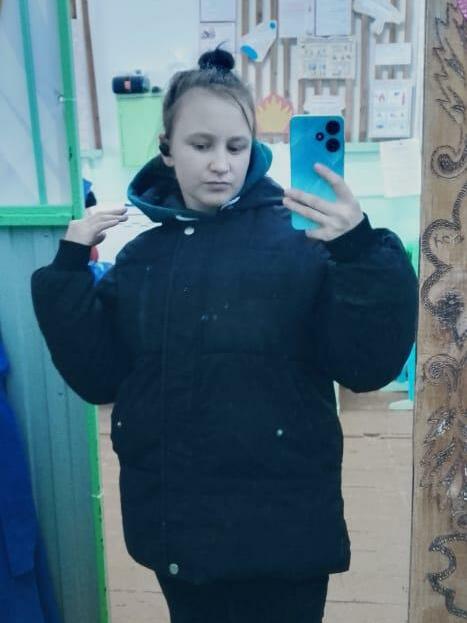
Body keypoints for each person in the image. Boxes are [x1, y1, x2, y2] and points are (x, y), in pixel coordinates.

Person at [31, 48, 418, 623]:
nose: (220, 164)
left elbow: (366, 365)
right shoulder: (141, 261)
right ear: (166, 148)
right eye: (200, 144)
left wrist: (360, 249)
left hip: (285, 531)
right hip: (182, 531)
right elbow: (98, 377)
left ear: (253, 150)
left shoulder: (303, 244)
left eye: (236, 147)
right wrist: (68, 268)